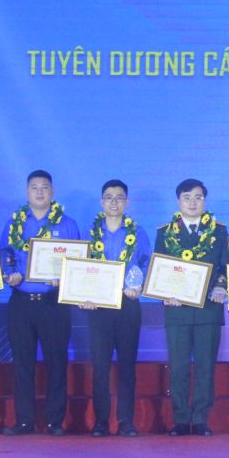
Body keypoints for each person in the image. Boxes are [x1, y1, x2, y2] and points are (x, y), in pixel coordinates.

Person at [0, 170, 81, 435]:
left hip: (53, 303)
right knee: (22, 364)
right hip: (21, 302)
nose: (39, 192)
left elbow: (78, 263)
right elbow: (4, 256)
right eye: (34, 188)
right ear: (27, 192)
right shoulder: (14, 223)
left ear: (52, 192)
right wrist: (9, 274)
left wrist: (65, 277)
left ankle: (55, 421)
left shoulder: (67, 224)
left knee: (56, 362)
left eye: (44, 187)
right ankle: (24, 421)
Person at [157, 178, 229, 436]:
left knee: (205, 367)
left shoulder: (218, 231)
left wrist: (221, 287)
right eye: (187, 197)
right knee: (178, 367)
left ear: (204, 201)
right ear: (179, 201)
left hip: (208, 309)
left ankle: (200, 419)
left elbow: (225, 266)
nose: (192, 202)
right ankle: (180, 419)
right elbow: (158, 269)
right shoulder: (164, 232)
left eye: (198, 197)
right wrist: (164, 293)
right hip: (177, 310)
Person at [83, 180, 151, 437]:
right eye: (109, 197)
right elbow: (80, 268)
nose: (114, 202)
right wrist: (83, 295)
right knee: (100, 366)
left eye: (119, 197)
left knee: (127, 366)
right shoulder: (89, 234)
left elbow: (145, 265)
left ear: (127, 202)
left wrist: (138, 286)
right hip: (98, 307)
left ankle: (125, 421)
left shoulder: (138, 233)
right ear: (102, 202)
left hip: (127, 304)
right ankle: (101, 421)